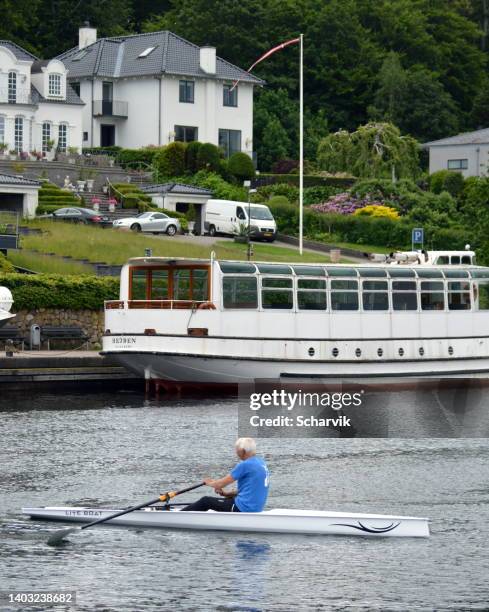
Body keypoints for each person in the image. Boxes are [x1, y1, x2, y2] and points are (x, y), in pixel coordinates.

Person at [180, 437, 269, 513]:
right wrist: (226, 494)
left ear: (243, 451)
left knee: (206, 501)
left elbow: (220, 484)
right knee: (225, 500)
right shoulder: (261, 463)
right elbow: (250, 490)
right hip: (256, 508)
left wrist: (209, 483)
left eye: (236, 450)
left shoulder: (245, 465)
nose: (236, 452)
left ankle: (180, 516)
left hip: (243, 508)